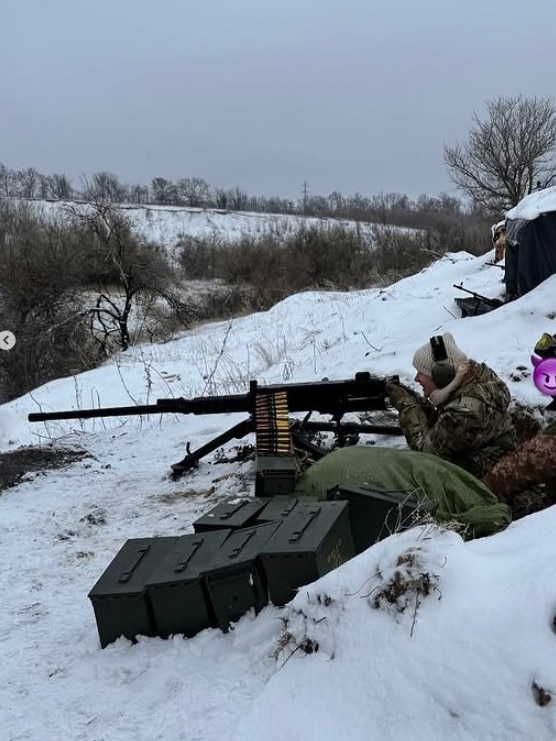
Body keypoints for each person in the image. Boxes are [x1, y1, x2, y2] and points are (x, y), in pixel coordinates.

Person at [386, 332, 517, 479]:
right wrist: (417, 401)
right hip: (491, 467)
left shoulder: (464, 413)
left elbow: (427, 453)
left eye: (421, 373)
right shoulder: (477, 380)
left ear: (443, 375)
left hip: (483, 485)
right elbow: (442, 425)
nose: (416, 378)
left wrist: (407, 405)